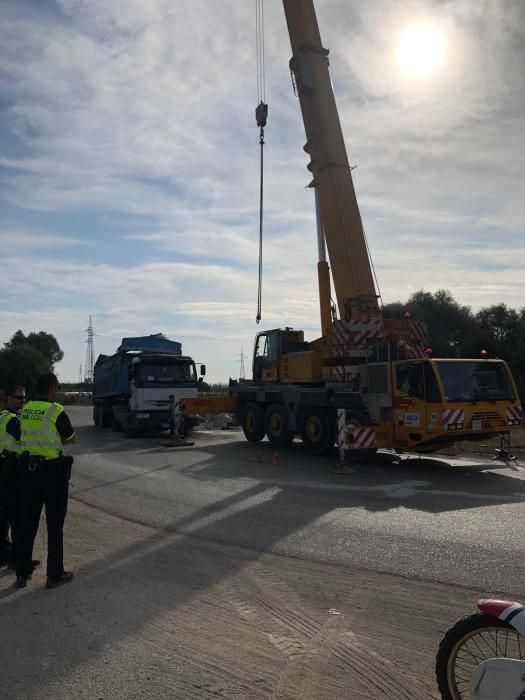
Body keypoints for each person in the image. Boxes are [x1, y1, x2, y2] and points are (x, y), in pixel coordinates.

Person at [16, 373, 75, 589]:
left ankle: (22, 573)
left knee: (27, 523)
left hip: (29, 472)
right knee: (55, 525)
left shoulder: (26, 409)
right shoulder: (56, 410)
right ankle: (54, 574)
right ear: (52, 389)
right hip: (52, 474)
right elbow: (69, 438)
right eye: (57, 387)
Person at [0, 385, 27, 568]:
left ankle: (5, 554)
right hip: (12, 471)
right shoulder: (12, 420)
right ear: (9, 398)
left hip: (4, 469)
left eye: (24, 398)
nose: (22, 401)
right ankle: (17, 558)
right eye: (19, 398)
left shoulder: (3, 416)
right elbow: (25, 440)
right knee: (18, 517)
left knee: (4, 516)